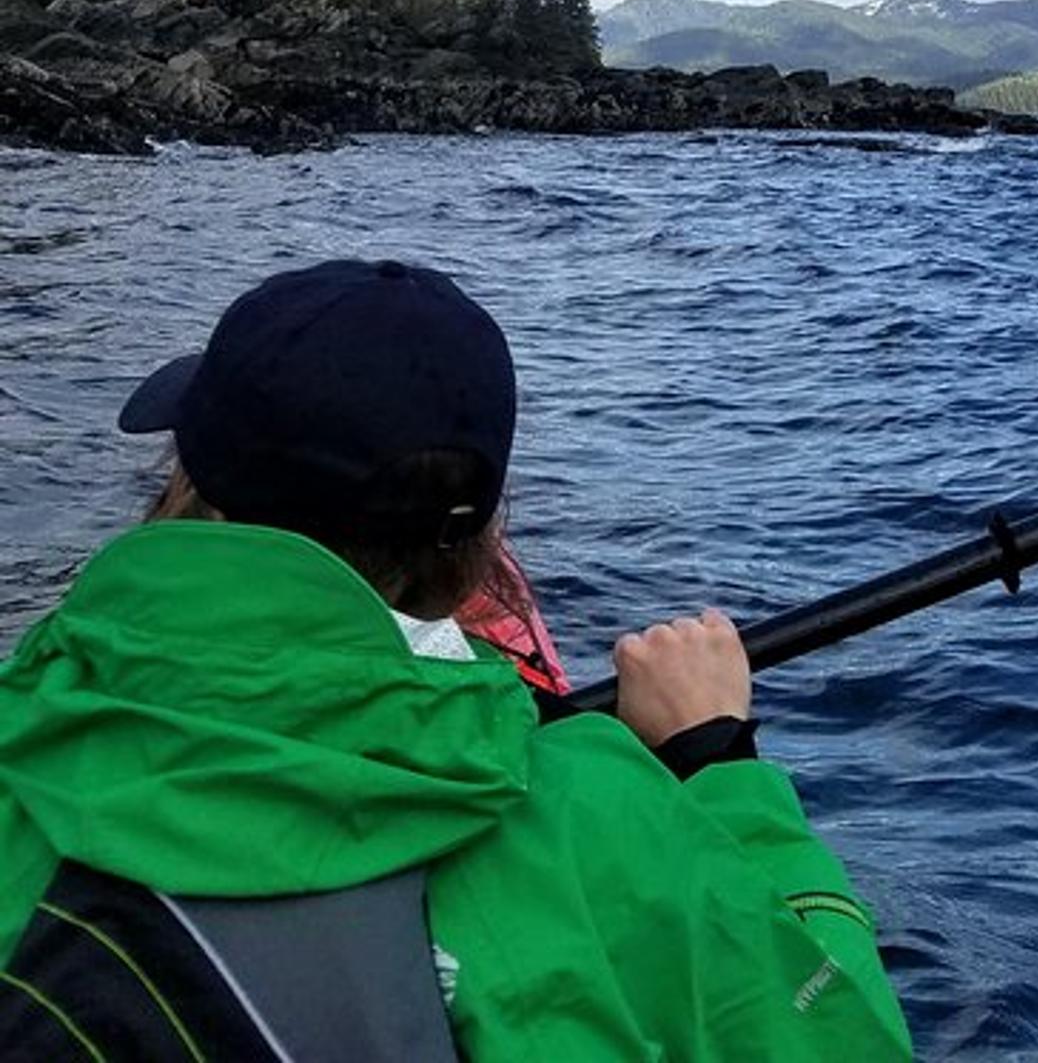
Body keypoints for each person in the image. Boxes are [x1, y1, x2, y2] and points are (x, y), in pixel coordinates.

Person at [0, 259, 912, 1060]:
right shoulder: (595, 814)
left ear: (194, 490)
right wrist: (718, 766)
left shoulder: (21, 727)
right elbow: (847, 1036)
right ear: (471, 549)